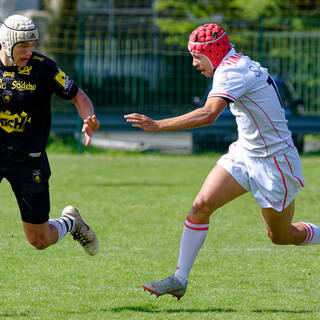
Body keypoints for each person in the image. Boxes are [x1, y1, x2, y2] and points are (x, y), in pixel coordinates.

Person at [124, 23, 320, 300]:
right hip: (245, 154)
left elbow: (208, 114)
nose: (194, 63)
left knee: (281, 236)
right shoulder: (232, 64)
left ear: (212, 52)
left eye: (197, 56)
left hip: (276, 163)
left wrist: (158, 126)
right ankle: (179, 279)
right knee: (201, 206)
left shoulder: (232, 71)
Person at [0, 14, 99, 255]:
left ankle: (71, 222)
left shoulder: (44, 68)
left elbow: (78, 95)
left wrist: (88, 120)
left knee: (39, 239)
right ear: (6, 43)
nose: (29, 51)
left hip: (28, 159)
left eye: (33, 45)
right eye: (23, 46)